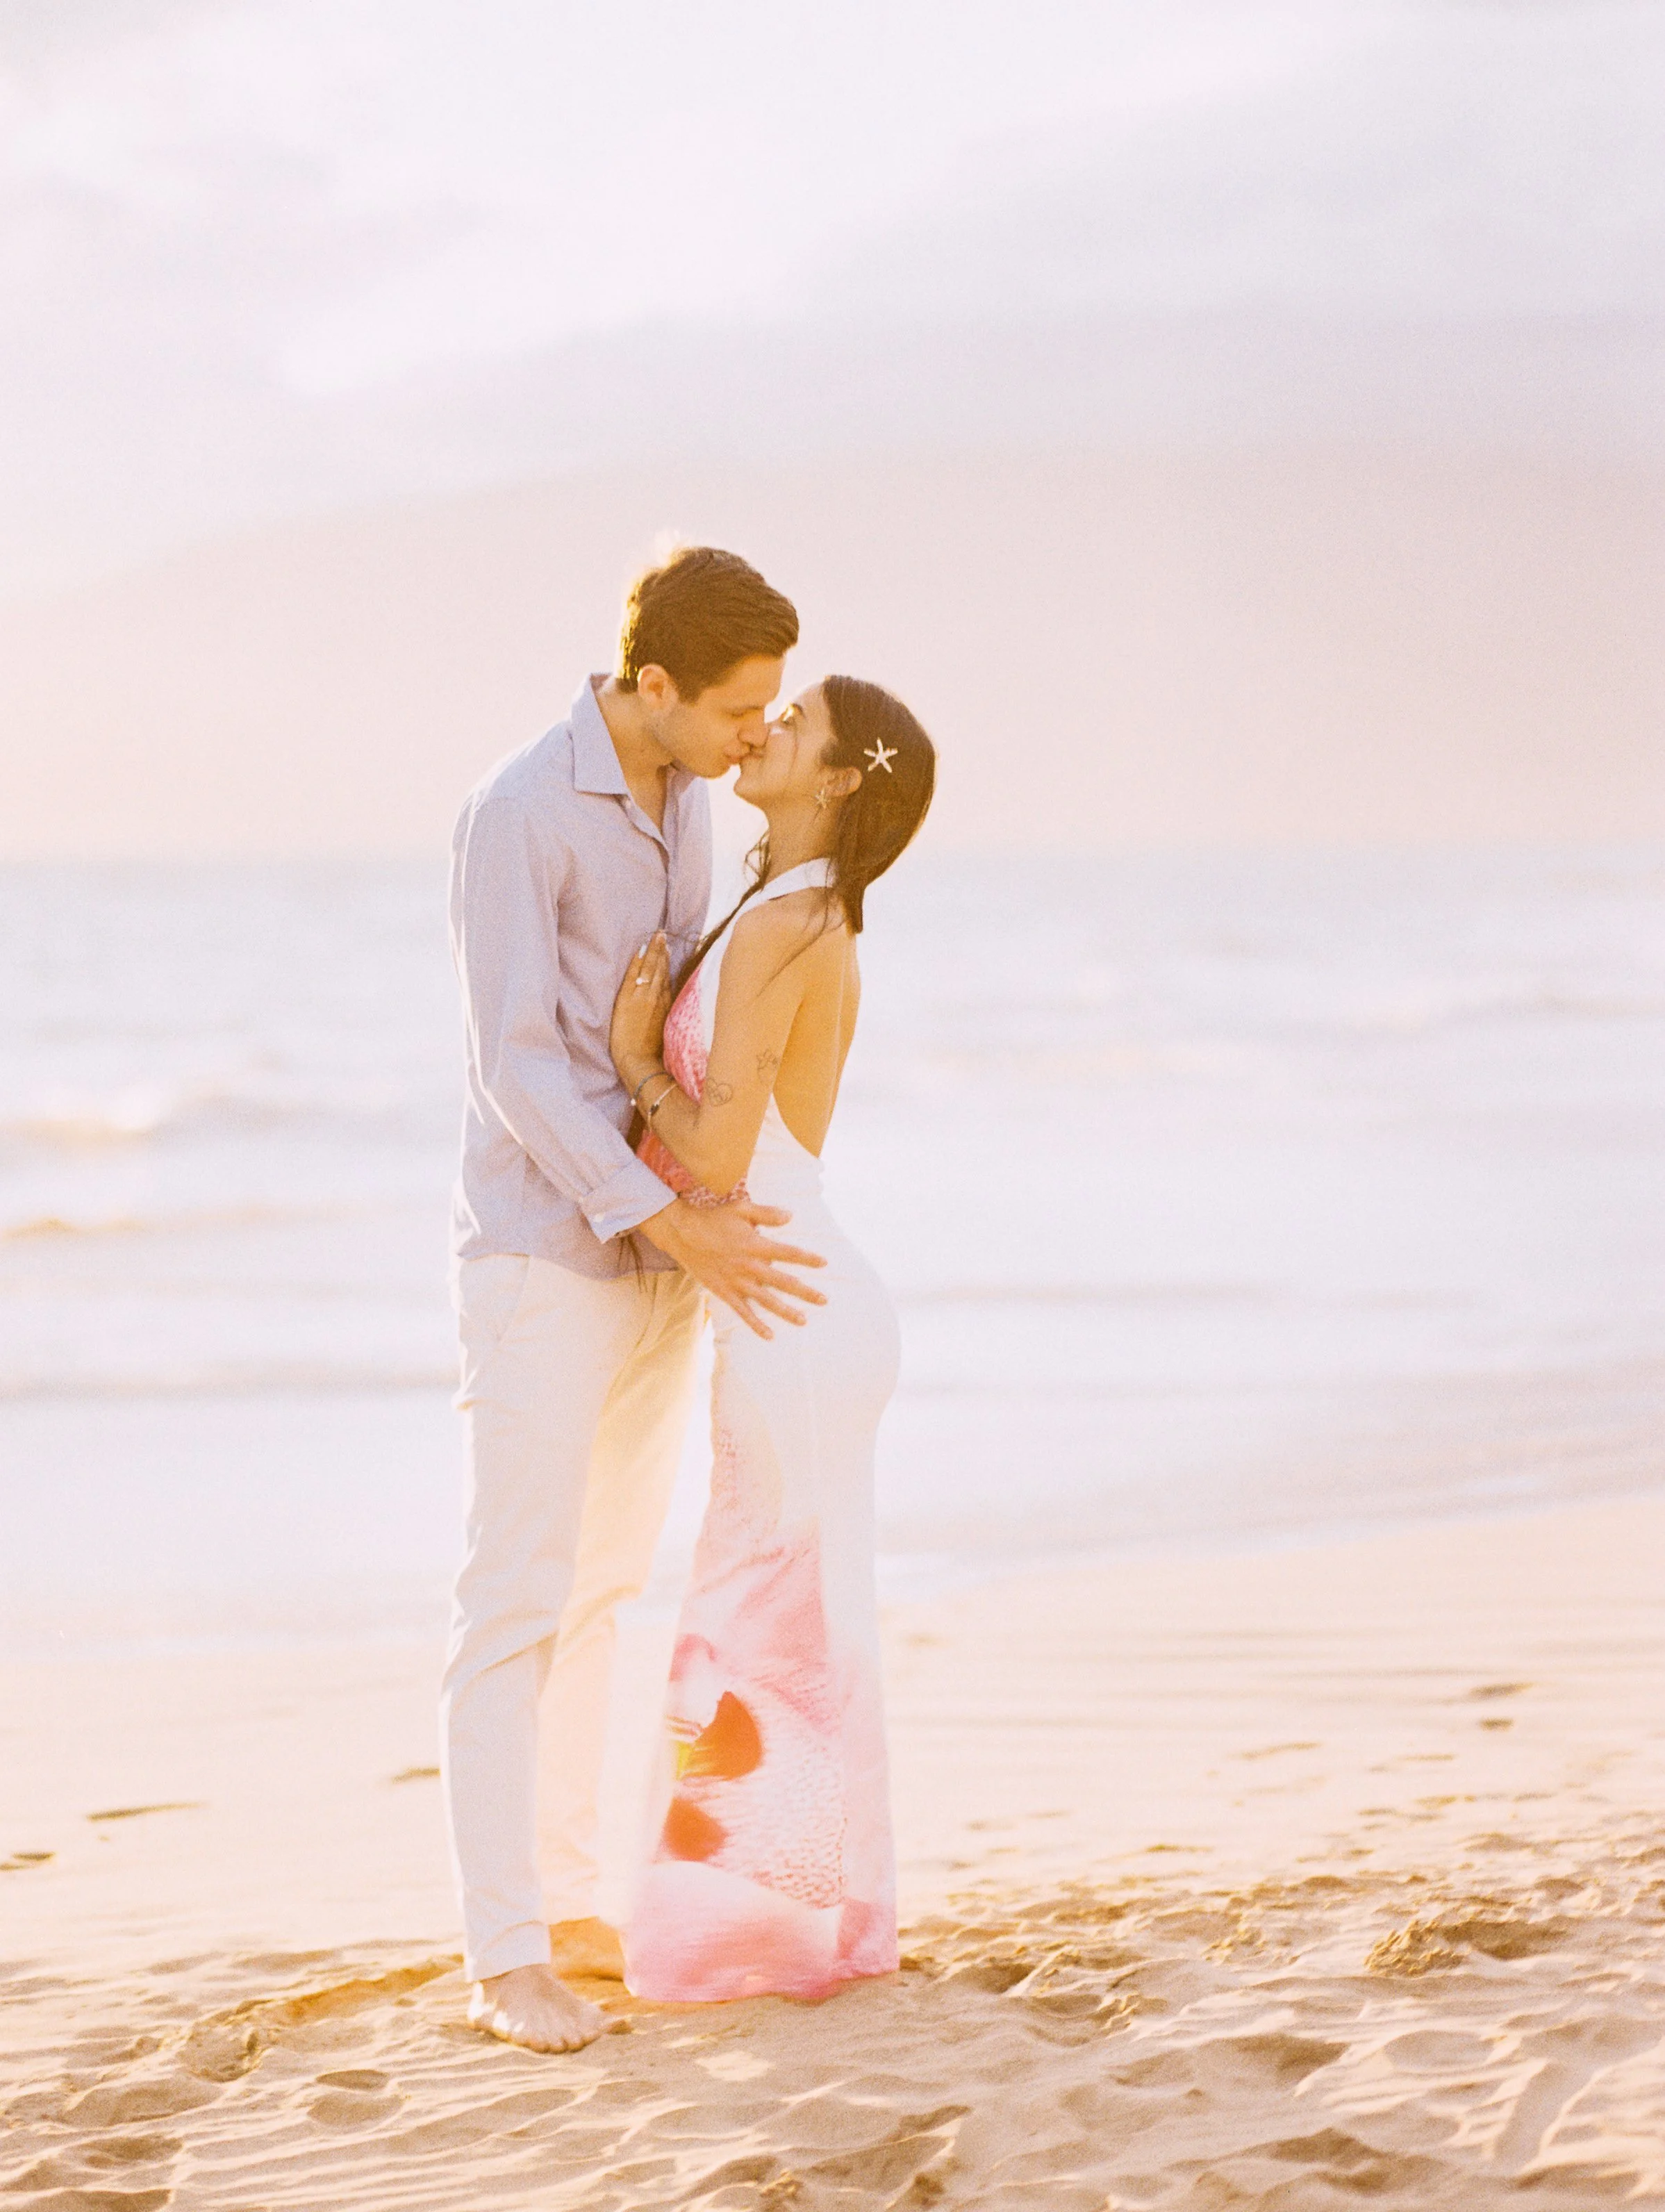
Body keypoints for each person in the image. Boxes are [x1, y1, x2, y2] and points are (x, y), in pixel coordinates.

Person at [442, 547, 827, 2056]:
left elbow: (661, 1015)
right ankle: (501, 1955)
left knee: (602, 1592)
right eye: (735, 706)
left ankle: (572, 1903)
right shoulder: (519, 809)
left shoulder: (687, 794)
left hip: (660, 1258)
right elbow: (516, 1061)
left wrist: (696, 1211)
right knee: (513, 1605)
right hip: (547, 1249)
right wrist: (662, 1204)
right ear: (650, 681)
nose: (756, 732)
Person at [608, 674, 936, 2001]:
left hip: (795, 1310)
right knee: (791, 1629)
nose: (766, 733)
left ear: (840, 779)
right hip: (799, 1298)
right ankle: (808, 1925)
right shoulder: (787, 913)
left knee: (769, 1629)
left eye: (792, 726)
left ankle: (765, 1938)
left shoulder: (787, 928)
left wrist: (634, 1060)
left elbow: (715, 1151)